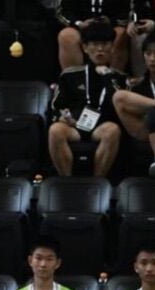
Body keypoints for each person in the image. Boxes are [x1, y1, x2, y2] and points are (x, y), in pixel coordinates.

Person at [48, 21, 125, 177]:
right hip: (74, 125)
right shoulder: (70, 75)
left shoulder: (119, 78)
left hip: (101, 127)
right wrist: (62, 117)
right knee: (55, 130)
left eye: (105, 44)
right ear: (85, 48)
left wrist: (108, 77)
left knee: (113, 130)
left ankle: (97, 181)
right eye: (95, 44)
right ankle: (66, 180)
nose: (100, 49)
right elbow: (57, 105)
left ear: (112, 47)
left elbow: (121, 107)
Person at [113, 31, 155, 176]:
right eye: (148, 53)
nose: (152, 59)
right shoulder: (138, 86)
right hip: (150, 131)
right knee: (121, 97)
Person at [55, 2, 129, 71]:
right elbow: (62, 12)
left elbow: (127, 12)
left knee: (120, 34)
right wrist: (78, 23)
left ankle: (115, 79)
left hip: (111, 26)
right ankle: (74, 80)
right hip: (80, 26)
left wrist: (111, 21)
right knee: (67, 35)